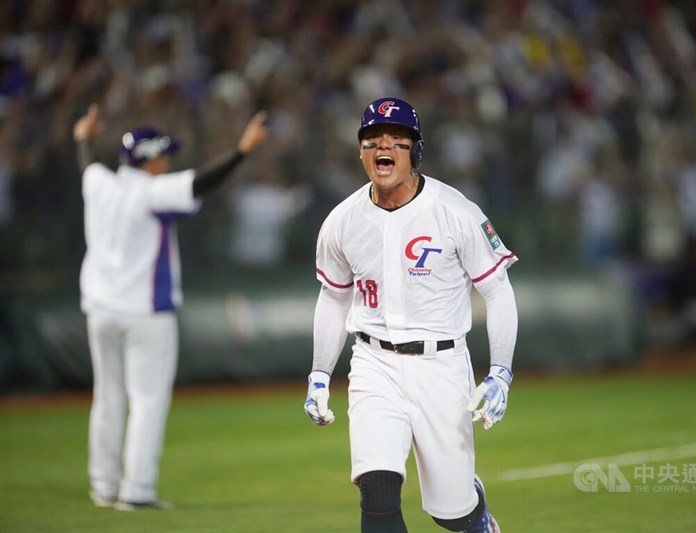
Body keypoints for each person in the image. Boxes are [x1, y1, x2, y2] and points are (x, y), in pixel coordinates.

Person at [304, 97, 518, 532]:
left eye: (398, 140)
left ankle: (474, 512)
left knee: (451, 514)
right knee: (377, 491)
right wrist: (320, 374)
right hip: (373, 363)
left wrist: (500, 372)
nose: (384, 146)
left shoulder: (455, 210)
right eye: (372, 139)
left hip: (441, 365)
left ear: (415, 151)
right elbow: (333, 298)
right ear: (361, 151)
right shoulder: (342, 220)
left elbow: (497, 292)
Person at [73, 104, 268, 510]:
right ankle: (137, 490)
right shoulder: (151, 191)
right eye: (164, 156)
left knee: (107, 397)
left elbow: (88, 162)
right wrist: (242, 151)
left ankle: (103, 485)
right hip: (145, 311)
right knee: (147, 401)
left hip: (100, 309)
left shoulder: (100, 183)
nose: (167, 162)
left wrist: (84, 138)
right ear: (152, 160)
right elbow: (200, 183)